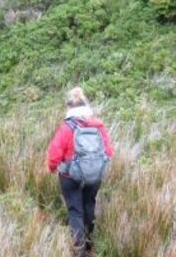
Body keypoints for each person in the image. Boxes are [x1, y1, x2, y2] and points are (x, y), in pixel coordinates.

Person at [46, 87, 114, 257]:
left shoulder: (67, 127)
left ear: (69, 107)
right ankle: (90, 244)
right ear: (86, 105)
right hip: (94, 174)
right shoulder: (99, 125)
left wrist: (52, 167)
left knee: (75, 211)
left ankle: (79, 250)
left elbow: (54, 154)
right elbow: (108, 152)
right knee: (89, 205)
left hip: (70, 176)